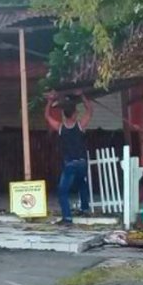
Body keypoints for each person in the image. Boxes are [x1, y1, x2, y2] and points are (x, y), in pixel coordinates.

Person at [45, 93, 94, 226]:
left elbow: (47, 116)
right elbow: (90, 110)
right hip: (82, 162)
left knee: (62, 191)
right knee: (81, 184)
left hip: (70, 164)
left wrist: (49, 102)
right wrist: (83, 95)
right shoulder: (80, 125)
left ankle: (67, 217)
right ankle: (84, 209)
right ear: (74, 114)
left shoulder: (60, 128)